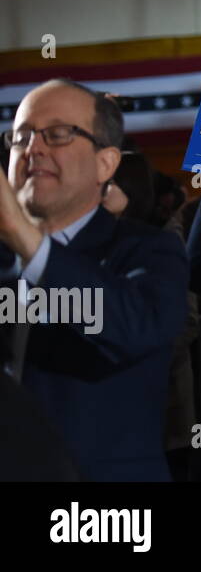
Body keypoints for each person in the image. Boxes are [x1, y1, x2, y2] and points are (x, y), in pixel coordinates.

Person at [0, 79, 188, 480]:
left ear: (106, 163)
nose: (33, 148)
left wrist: (30, 242)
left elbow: (134, 325)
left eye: (58, 134)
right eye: (20, 137)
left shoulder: (149, 251)